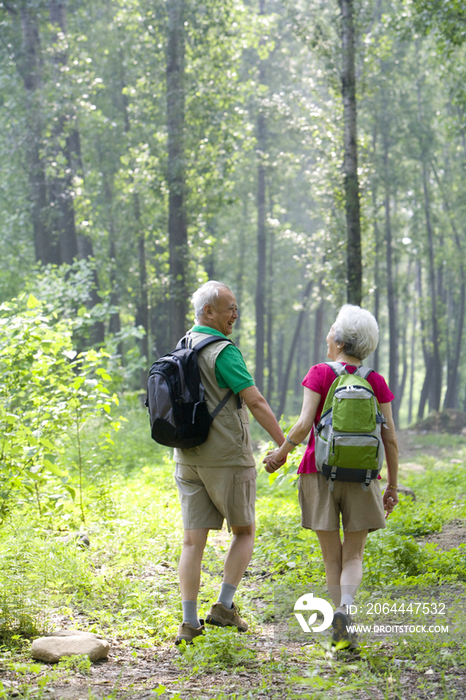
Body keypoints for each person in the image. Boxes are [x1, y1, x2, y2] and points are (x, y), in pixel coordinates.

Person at [264, 304, 399, 647]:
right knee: (354, 554)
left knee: (331, 556)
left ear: (338, 339)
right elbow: (391, 438)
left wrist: (281, 454)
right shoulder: (376, 381)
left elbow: (304, 422)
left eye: (331, 330)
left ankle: (336, 627)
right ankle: (346, 609)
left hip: (317, 470)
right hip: (364, 475)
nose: (327, 334)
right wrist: (392, 485)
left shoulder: (320, 373)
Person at [174, 280, 285, 645]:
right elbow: (255, 402)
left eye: (235, 307)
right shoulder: (223, 351)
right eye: (229, 308)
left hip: (187, 458)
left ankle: (189, 623)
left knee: (192, 543)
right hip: (227, 458)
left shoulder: (183, 345)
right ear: (209, 312)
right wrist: (283, 442)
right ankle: (223, 605)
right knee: (244, 531)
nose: (235, 314)